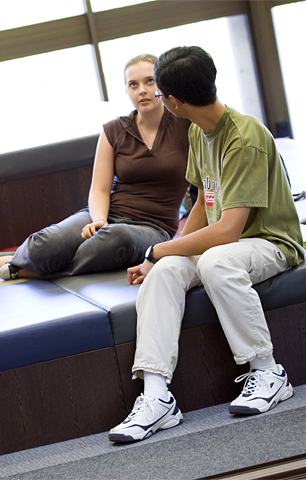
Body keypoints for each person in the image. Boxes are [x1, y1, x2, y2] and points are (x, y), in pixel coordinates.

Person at [109, 46, 304, 443]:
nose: (156, 98)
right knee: (163, 273)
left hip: (270, 241)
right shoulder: (199, 129)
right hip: (225, 244)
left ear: (175, 102)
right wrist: (165, 255)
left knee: (215, 262)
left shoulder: (244, 137)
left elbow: (230, 230)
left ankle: (268, 371)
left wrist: (157, 248)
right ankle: (157, 396)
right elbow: (203, 202)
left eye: (159, 91)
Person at [0, 54, 191, 281]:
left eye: (149, 81)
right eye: (133, 84)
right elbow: (99, 190)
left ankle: (30, 269)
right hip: (107, 215)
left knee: (114, 241)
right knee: (47, 242)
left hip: (153, 227)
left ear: (161, 84)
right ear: (126, 90)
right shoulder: (113, 130)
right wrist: (99, 220)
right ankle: (23, 258)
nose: (142, 90)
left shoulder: (185, 125)